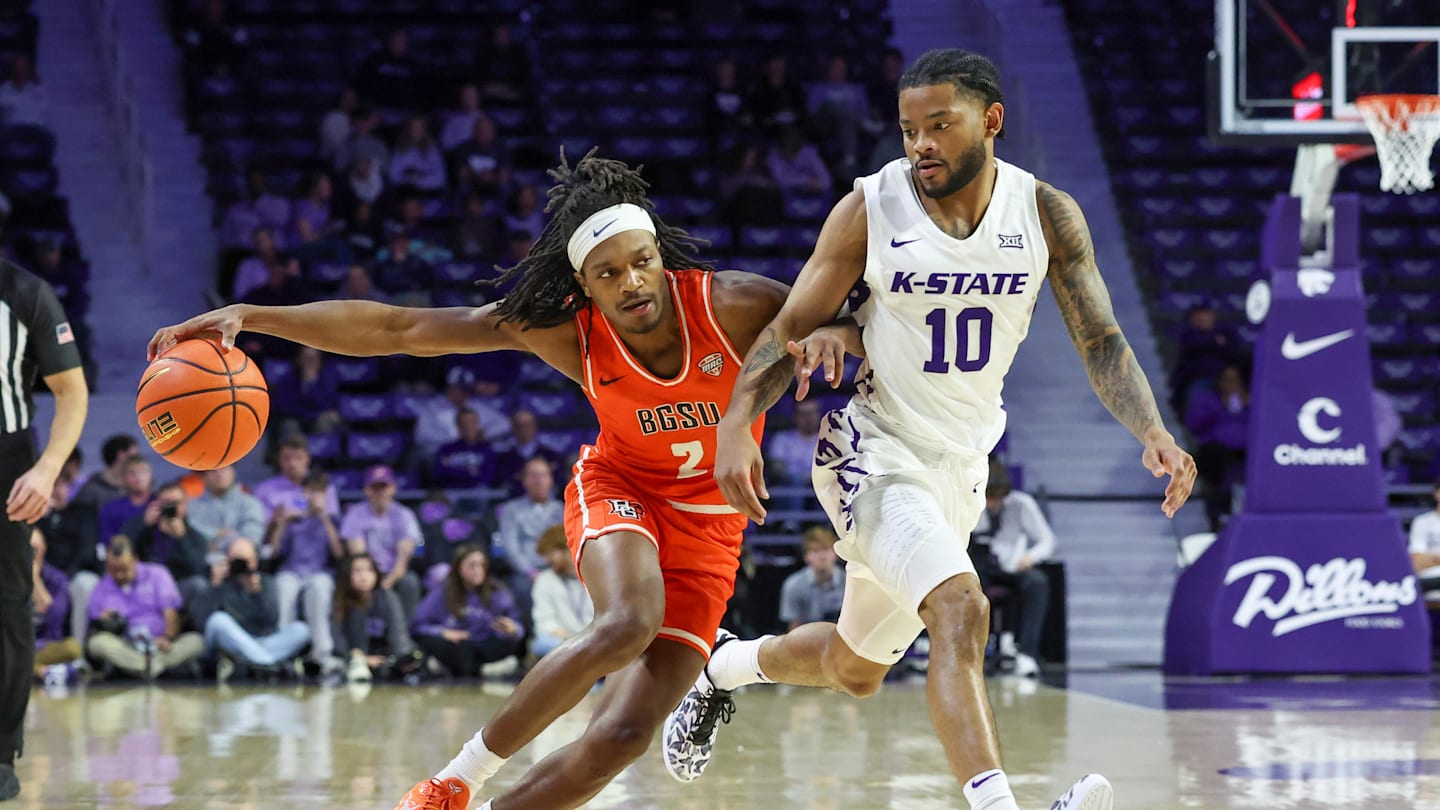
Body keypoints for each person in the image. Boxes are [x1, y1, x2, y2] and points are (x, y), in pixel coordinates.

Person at [147, 149, 827, 810]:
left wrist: (836, 341)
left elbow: (839, 314)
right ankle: (450, 786)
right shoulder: (569, 333)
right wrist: (253, 318)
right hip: (623, 489)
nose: (632, 284)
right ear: (584, 285)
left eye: (642, 263)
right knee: (627, 623)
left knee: (621, 736)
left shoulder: (733, 304)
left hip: (713, 530)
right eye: (609, 273)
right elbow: (399, 328)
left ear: (661, 257)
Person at [663, 49, 1196, 810]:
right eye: (910, 128)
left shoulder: (1044, 213)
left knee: (855, 668)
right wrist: (736, 424)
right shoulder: (871, 207)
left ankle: (722, 670)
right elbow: (790, 328)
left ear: (992, 122)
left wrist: (1153, 430)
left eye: (939, 126)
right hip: (871, 452)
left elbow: (1101, 339)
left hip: (960, 470)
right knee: (962, 608)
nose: (921, 145)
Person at [0, 255, 88, 801]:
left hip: (6, 460)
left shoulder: (25, 293)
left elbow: (72, 391)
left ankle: (1, 750)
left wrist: (48, 468)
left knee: (7, 604)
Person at [972, 462, 1057, 678]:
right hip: (981, 570)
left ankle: (1026, 654)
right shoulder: (971, 504)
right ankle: (968, 653)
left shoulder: (1022, 504)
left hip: (1012, 568)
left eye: (996, 497)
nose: (991, 503)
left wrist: (1031, 557)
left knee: (1038, 582)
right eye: (988, 497)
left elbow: (1047, 540)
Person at [85, 537, 205, 681]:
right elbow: (98, 628)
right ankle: (150, 667)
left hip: (161, 645)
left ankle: (145, 668)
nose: (119, 575)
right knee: (97, 643)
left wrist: (166, 638)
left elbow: (171, 614)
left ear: (135, 559)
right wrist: (105, 623)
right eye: (114, 570)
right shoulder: (101, 589)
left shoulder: (157, 574)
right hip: (128, 646)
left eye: (124, 569)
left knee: (197, 641)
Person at [200, 538, 311, 681]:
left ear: (255, 560)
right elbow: (203, 621)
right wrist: (215, 586)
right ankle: (268, 664)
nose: (243, 566)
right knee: (218, 620)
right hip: (231, 643)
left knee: (301, 630)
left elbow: (272, 620)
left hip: (263, 641)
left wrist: (256, 592)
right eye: (237, 561)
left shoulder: (266, 582)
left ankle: (256, 662)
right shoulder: (220, 583)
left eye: (246, 561)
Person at [267, 472, 344, 673]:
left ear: (326, 495)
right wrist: (282, 523)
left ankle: (322, 654)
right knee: (284, 589)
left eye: (319, 493)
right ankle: (283, 654)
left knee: (319, 590)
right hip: (291, 570)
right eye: (311, 492)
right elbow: (274, 552)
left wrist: (324, 517)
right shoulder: (294, 521)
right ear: (304, 493)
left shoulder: (333, 520)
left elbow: (339, 552)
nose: (315, 497)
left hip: (320, 572)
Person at [411, 545, 524, 677]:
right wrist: (443, 632)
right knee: (453, 647)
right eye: (472, 565)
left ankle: (455, 668)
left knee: (508, 643)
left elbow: (519, 629)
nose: (478, 570)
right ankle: (483, 669)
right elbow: (417, 626)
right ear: (459, 567)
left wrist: (512, 629)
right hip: (456, 645)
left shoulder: (497, 591)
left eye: (482, 565)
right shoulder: (442, 591)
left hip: (485, 644)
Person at [338, 465, 423, 621]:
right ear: (366, 490)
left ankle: (409, 633)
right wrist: (371, 578)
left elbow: (405, 555)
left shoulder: (404, 515)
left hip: (396, 572)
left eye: (384, 487)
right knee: (355, 580)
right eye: (375, 487)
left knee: (410, 582)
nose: (380, 492)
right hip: (366, 572)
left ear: (393, 488)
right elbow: (358, 555)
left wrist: (389, 581)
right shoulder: (355, 514)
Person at [331, 552, 415, 684]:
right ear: (348, 576)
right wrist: (360, 658)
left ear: (376, 574)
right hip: (352, 658)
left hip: (382, 656)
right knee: (357, 612)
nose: (363, 576)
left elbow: (398, 632)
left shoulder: (387, 597)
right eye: (357, 571)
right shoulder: (340, 600)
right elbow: (336, 637)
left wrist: (400, 658)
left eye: (369, 570)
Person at [530, 525, 592, 658]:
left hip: (594, 639)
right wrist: (573, 640)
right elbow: (544, 623)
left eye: (550, 553)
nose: (546, 560)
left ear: (566, 549)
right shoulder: (544, 580)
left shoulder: (595, 575)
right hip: (563, 640)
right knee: (542, 643)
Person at [778, 526, 845, 631]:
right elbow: (793, 629)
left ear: (836, 553)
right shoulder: (794, 585)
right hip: (807, 639)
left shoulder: (849, 582)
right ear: (806, 556)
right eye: (815, 551)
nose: (822, 556)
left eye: (826, 549)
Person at [1408, 477, 1440, 591]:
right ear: (1437, 494)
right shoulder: (1422, 522)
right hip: (1429, 580)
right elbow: (1416, 562)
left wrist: (1433, 559)